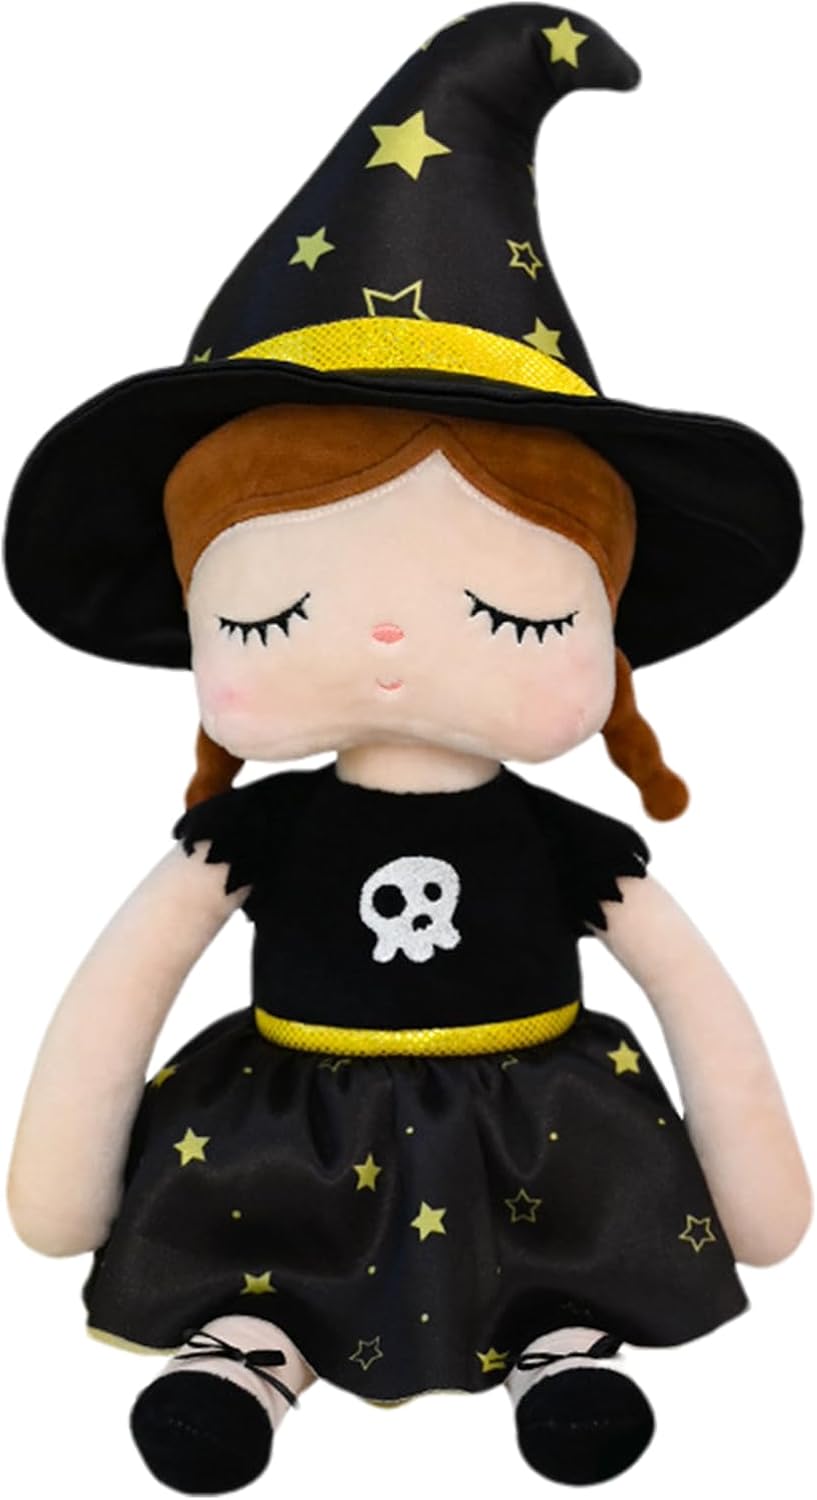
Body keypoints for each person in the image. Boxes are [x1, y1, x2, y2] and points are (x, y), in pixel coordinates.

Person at [3, 6, 810, 1493]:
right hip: (295, 1119)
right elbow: (132, 977)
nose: (384, 642)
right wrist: (59, 1182)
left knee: (575, 1219)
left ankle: (557, 1336)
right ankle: (257, 1349)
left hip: (534, 1120)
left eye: (509, 616)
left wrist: (760, 1191)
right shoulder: (255, 835)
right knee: (257, 1232)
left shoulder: (570, 847)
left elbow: (691, 988)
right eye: (281, 613)